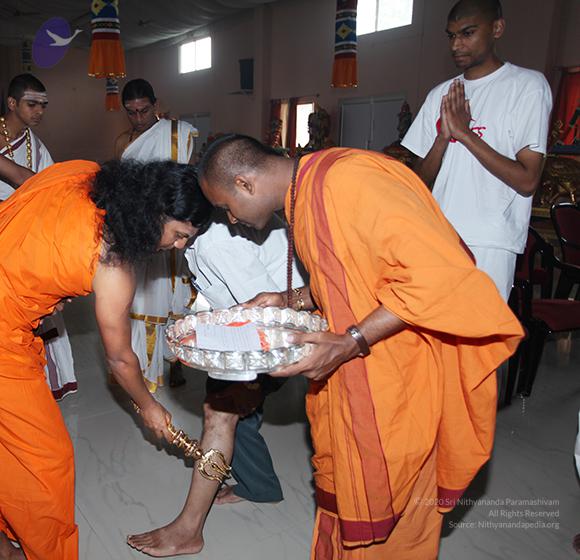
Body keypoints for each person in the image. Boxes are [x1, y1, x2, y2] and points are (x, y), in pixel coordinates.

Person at [194, 134, 524, 559]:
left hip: (398, 377)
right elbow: (351, 277)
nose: (230, 218)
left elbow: (438, 276)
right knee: (347, 501)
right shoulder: (308, 191)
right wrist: (288, 298)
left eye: (225, 207)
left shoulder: (349, 181)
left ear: (245, 183)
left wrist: (351, 341)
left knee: (391, 513)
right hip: (357, 374)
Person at [0, 158, 211, 560]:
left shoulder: (84, 173)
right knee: (46, 460)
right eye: (180, 234)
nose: (180, 247)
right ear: (154, 214)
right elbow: (119, 360)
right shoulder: (112, 262)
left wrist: (41, 279)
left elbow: (28, 184)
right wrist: (149, 406)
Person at [126, 207, 306, 556]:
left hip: (282, 331)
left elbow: (269, 317)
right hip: (254, 325)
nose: (166, 245)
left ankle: (189, 530)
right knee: (232, 409)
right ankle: (259, 485)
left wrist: (252, 382)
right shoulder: (200, 233)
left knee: (219, 413)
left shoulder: (214, 244)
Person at [401, 0, 552, 302]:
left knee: (478, 331)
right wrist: (443, 138)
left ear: (497, 28)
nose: (456, 45)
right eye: (451, 35)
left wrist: (465, 134)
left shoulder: (527, 86)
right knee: (430, 329)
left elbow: (527, 180)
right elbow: (417, 183)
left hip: (490, 242)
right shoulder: (440, 94)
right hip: (437, 235)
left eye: (467, 33)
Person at [115, 78, 199, 391]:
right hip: (141, 231)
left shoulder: (179, 134)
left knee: (175, 296)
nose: (139, 118)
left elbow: (189, 179)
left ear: (156, 105)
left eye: (144, 110)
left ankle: (175, 361)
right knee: (144, 299)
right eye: (132, 112)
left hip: (173, 228)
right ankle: (142, 367)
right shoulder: (123, 143)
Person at [0, 73, 79, 401]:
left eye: (43, 105)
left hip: (27, 236)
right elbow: (26, 179)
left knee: (38, 306)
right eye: (32, 104)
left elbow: (45, 187)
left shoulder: (34, 143)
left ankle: (42, 385)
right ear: (12, 103)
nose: (39, 111)